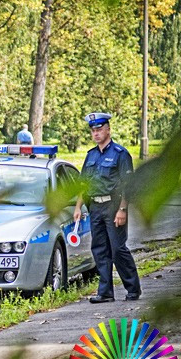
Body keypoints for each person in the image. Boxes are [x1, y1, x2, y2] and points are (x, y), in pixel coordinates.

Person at [73, 112, 141, 303]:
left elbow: (128, 184)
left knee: (118, 249)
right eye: (93, 130)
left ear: (108, 130)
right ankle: (105, 292)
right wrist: (78, 208)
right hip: (95, 206)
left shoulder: (120, 154)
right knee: (100, 250)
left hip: (113, 207)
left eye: (99, 129)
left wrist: (123, 209)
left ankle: (133, 288)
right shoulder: (91, 155)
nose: (96, 133)